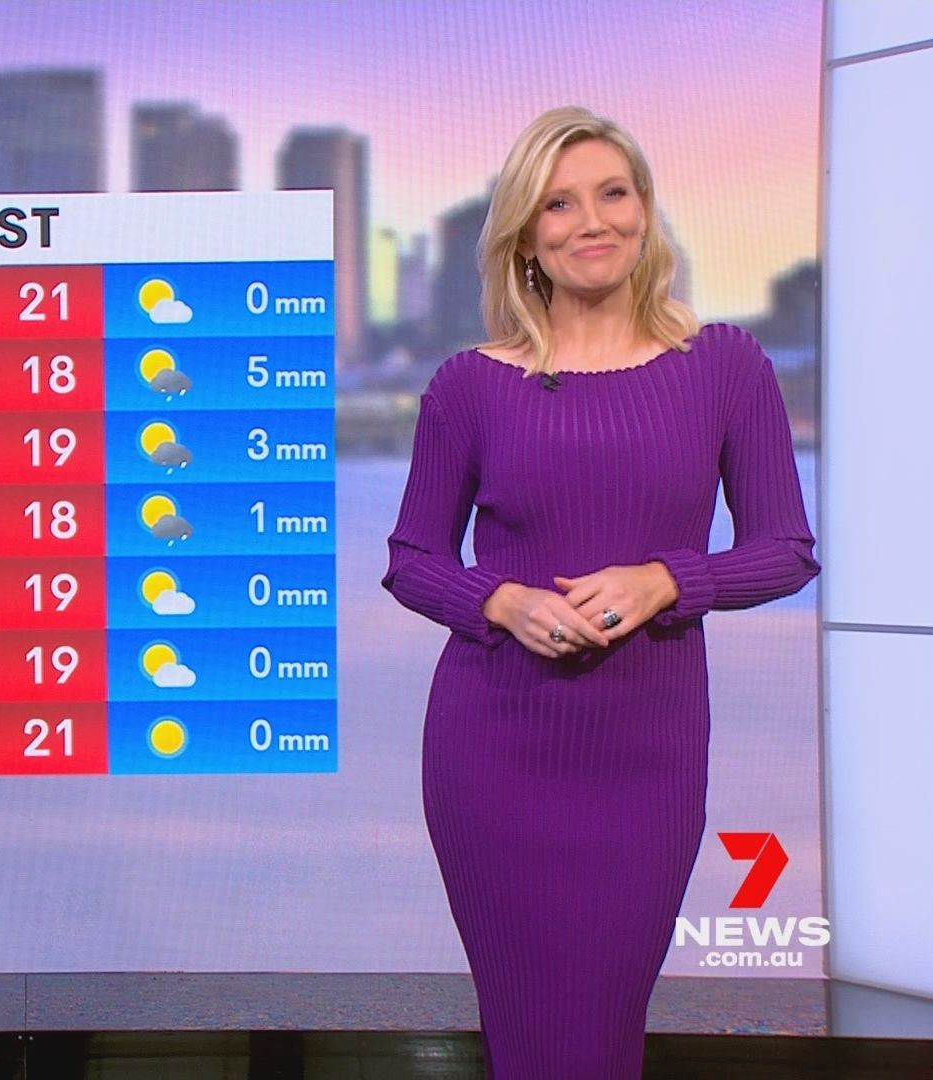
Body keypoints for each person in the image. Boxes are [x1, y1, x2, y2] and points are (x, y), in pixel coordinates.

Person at [379, 105, 819, 1078]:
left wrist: (668, 578)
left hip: (645, 761)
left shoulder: (725, 365)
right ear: (524, 235)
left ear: (645, 209)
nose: (593, 221)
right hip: (494, 751)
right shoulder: (468, 385)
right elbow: (412, 558)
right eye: (559, 203)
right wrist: (502, 602)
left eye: (613, 193)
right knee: (528, 1040)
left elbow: (786, 550)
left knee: (598, 1035)